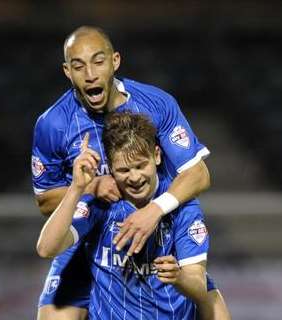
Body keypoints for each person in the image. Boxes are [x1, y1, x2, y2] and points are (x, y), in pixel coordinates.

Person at [32, 26, 229, 319]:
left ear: (115, 61)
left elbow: (198, 174)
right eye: (78, 65)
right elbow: (46, 201)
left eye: (98, 61)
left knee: (212, 304)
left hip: (152, 231)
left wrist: (154, 211)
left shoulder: (156, 104)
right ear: (67, 71)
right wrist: (91, 187)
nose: (89, 74)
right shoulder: (52, 124)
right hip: (88, 235)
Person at [37, 111, 231, 319]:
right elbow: (47, 248)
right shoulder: (101, 204)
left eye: (140, 166)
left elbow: (198, 283)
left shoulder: (182, 205)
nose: (135, 177)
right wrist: (77, 188)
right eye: (124, 170)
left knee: (216, 308)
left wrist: (179, 277)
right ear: (110, 168)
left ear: (156, 155)